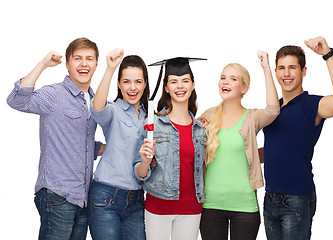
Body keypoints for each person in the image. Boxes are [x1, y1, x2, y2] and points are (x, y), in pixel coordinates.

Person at [6, 37, 103, 240]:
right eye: (77, 58)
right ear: (67, 65)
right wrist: (43, 64)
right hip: (57, 196)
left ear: (96, 64)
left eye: (89, 59)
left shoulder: (95, 100)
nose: (84, 64)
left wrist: (112, 147)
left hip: (83, 198)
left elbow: (82, 144)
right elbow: (16, 100)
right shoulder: (54, 95)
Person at [262, 36, 333, 240]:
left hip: (297, 198)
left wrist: (328, 55)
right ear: (275, 72)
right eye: (281, 68)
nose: (286, 73)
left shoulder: (313, 105)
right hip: (270, 197)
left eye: (292, 67)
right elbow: (274, 150)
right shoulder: (273, 109)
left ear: (303, 71)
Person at [199, 51, 280, 240]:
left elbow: (273, 110)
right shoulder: (208, 116)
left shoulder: (252, 118)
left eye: (233, 79)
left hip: (244, 207)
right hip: (210, 205)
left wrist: (267, 68)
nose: (225, 82)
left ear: (244, 88)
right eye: (223, 78)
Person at [134, 57, 207, 240]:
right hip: (158, 207)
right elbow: (140, 173)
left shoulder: (201, 130)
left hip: (191, 208)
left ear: (192, 85)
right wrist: (145, 162)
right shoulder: (152, 125)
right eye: (173, 81)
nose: (180, 86)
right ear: (166, 87)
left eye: (185, 81)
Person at [88, 49, 150, 240]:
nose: (133, 87)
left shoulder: (150, 117)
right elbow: (96, 108)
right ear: (119, 84)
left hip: (137, 200)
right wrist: (110, 69)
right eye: (126, 81)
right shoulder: (113, 111)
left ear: (145, 83)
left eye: (138, 81)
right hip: (105, 197)